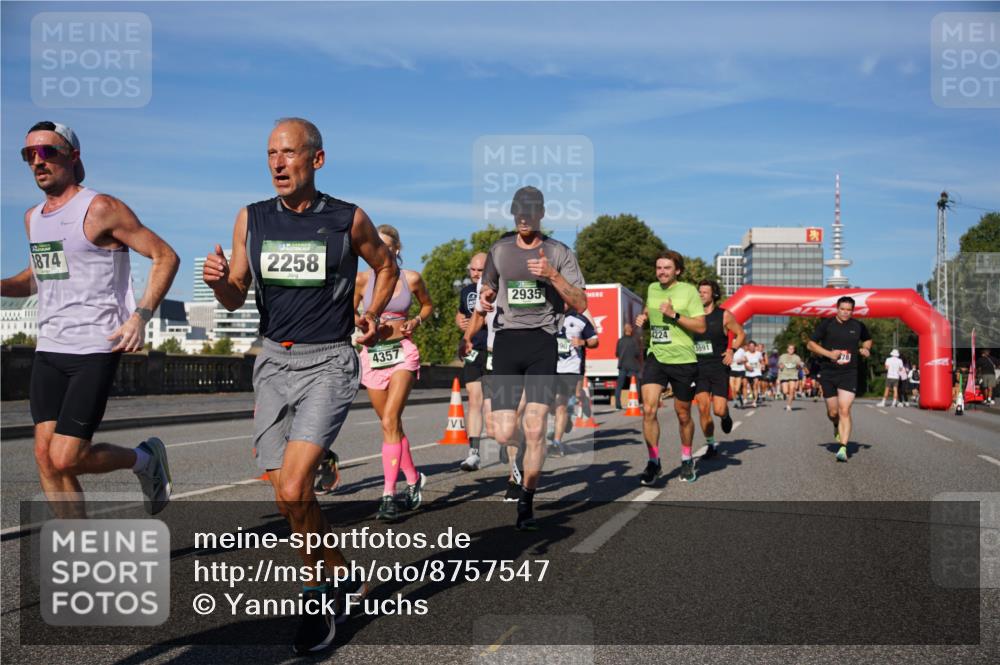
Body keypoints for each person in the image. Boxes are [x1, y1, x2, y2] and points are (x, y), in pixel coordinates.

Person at [202, 118, 394, 655]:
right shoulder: (252, 218)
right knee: (286, 493)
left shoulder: (347, 218)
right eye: (271, 154)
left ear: (317, 159)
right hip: (272, 362)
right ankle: (342, 573)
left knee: (292, 489)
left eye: (288, 153)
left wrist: (372, 314)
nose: (278, 163)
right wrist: (218, 283)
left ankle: (316, 599)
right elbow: (236, 295)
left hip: (328, 360)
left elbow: (387, 267)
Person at [1, 121, 178, 519]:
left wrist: (140, 316)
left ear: (73, 156)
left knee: (67, 456)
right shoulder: (33, 218)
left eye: (47, 152)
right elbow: (35, 280)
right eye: (29, 154)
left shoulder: (101, 208)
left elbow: (165, 256)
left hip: (95, 348)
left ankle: (144, 459)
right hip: (49, 347)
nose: (37, 161)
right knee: (45, 456)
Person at [463, 186, 587, 530]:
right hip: (506, 344)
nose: (523, 216)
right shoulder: (500, 250)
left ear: (541, 213)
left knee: (535, 428)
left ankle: (526, 500)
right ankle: (519, 462)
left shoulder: (559, 252)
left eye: (530, 210)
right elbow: (487, 289)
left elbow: (580, 303)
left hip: (542, 344)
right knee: (502, 432)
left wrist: (552, 275)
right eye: (518, 210)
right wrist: (484, 301)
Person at [355, 224, 433, 521]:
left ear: (396, 249)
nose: (378, 249)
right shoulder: (362, 280)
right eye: (375, 244)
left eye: (385, 245)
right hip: (373, 356)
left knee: (390, 420)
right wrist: (360, 322)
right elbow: (348, 310)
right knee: (391, 425)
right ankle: (413, 479)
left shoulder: (410, 278)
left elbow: (427, 306)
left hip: (402, 353)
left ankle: (388, 495)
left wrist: (416, 321)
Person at [634, 250, 707, 485]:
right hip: (657, 356)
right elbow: (649, 308)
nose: (662, 272)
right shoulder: (653, 288)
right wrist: (644, 317)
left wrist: (674, 314)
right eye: (659, 268)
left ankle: (686, 459)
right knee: (648, 410)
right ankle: (653, 462)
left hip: (683, 360)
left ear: (678, 270)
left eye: (667, 268)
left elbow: (701, 327)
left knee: (683, 414)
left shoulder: (689, 291)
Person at [806, 296, 873, 463]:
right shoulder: (827, 324)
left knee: (845, 410)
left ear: (852, 310)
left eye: (849, 310)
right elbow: (810, 344)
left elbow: (867, 339)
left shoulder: (858, 325)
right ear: (837, 308)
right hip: (828, 373)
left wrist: (865, 348)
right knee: (833, 412)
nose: (845, 312)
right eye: (842, 309)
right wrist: (829, 354)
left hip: (849, 373)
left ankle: (843, 447)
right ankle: (836, 425)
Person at [692, 280, 744, 459]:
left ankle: (726, 416)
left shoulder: (724, 315)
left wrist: (732, 350)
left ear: (714, 295)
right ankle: (710, 445)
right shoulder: (692, 315)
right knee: (703, 408)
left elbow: (740, 334)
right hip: (699, 368)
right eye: (699, 292)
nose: (700, 295)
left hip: (718, 367)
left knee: (718, 410)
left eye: (704, 292)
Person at [551, 309, 599, 457]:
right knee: (551, 406)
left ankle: (556, 443)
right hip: (550, 367)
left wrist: (582, 342)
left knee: (563, 403)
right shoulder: (548, 316)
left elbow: (595, 341)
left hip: (571, 369)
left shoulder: (580, 319)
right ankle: (566, 420)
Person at [457, 253, 488, 471]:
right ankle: (474, 454)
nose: (476, 274)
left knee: (495, 406)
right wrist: (460, 323)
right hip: (473, 350)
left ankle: (507, 441)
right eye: (473, 269)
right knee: (474, 400)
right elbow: (461, 314)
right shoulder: (466, 291)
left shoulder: (499, 288)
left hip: (496, 349)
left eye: (480, 270)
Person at [614, 323, 642, 409]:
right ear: (631, 330)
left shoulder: (620, 341)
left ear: (624, 330)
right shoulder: (634, 341)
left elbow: (617, 353)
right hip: (632, 365)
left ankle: (618, 405)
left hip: (622, 365)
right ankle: (636, 401)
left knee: (619, 386)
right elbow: (637, 353)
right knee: (635, 384)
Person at [777, 344, 804, 412]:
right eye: (790, 348)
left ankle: (789, 406)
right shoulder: (783, 356)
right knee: (785, 391)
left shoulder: (797, 357)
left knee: (792, 390)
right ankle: (788, 395)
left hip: (793, 375)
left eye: (792, 349)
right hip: (784, 375)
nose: (791, 350)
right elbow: (779, 365)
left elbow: (799, 366)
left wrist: (798, 365)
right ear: (787, 349)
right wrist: (780, 366)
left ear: (794, 350)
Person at [744, 341, 764, 407]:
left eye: (753, 346)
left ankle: (754, 401)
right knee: (752, 386)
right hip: (749, 372)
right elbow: (744, 363)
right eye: (750, 346)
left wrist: (763, 365)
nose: (751, 347)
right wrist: (747, 367)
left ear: (755, 347)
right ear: (748, 347)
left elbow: (761, 361)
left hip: (757, 372)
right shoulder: (746, 354)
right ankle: (754, 397)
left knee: (755, 385)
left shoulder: (758, 353)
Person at [729, 342, 747, 408]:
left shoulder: (741, 350)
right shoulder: (730, 350)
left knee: (737, 389)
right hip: (731, 370)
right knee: (732, 388)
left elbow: (746, 359)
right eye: (733, 343)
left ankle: (740, 397)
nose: (734, 344)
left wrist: (741, 360)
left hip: (739, 371)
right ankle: (735, 402)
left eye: (735, 342)